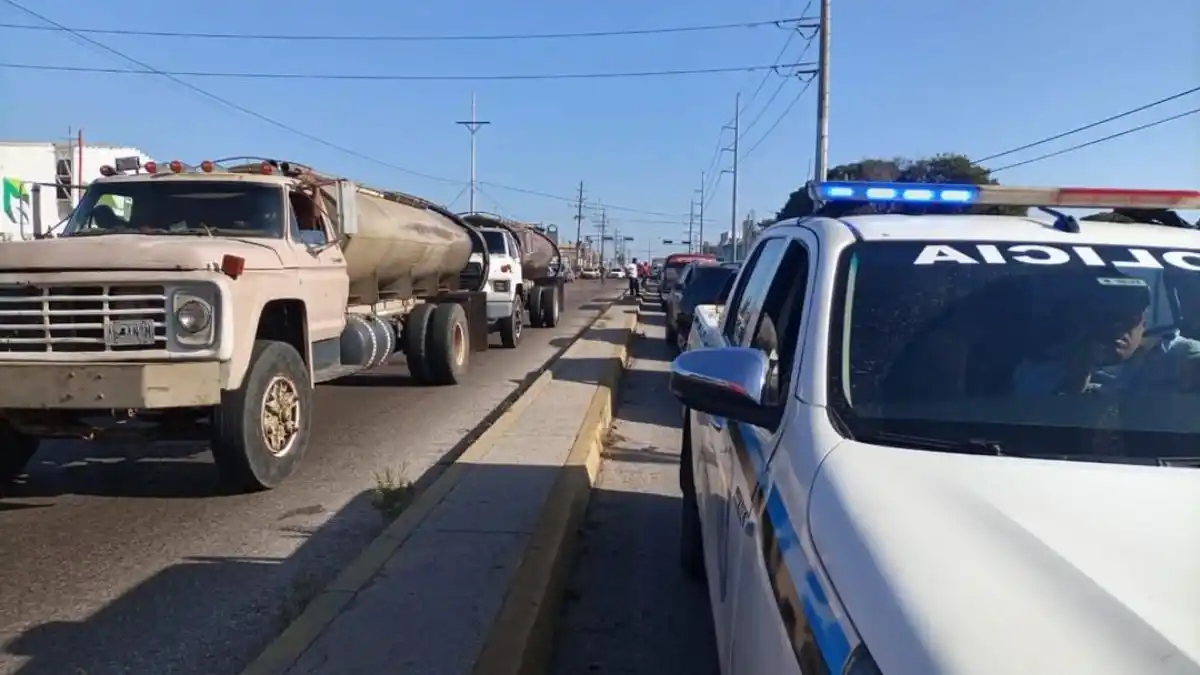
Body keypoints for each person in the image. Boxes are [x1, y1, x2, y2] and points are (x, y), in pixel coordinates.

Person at [1012, 271, 1200, 395]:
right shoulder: (1043, 369)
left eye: (1128, 319)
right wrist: (1077, 375)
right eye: (1107, 319)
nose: (1117, 329)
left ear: (1143, 321)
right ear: (1085, 320)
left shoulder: (1184, 357)